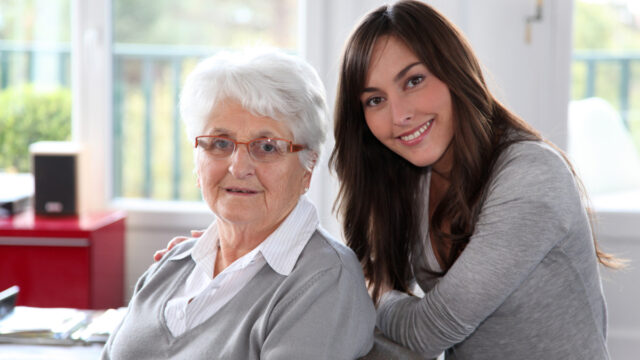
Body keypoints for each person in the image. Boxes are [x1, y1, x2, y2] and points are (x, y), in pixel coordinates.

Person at [329, 1, 621, 359]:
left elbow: (429, 331)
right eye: (375, 99)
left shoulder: (531, 177)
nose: (399, 115)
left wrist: (375, 291)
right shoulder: (413, 175)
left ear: (453, 71)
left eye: (414, 80)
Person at [102, 49, 375, 360]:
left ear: (307, 169)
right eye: (220, 143)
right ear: (197, 162)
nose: (238, 166)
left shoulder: (324, 282)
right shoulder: (171, 265)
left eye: (267, 147)